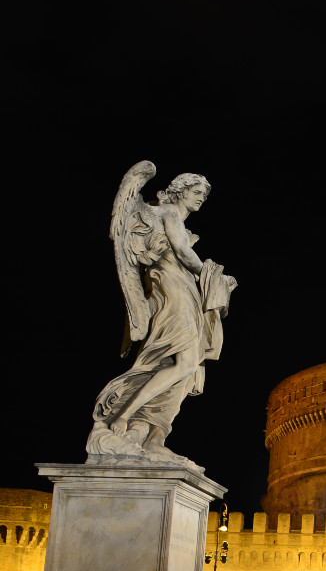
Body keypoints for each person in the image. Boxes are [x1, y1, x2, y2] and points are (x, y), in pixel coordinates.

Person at [89, 163, 237, 470]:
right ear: (180, 191)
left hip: (186, 291)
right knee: (183, 360)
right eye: (196, 193)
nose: (201, 199)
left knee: (187, 367)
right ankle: (123, 415)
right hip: (171, 292)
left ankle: (155, 438)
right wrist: (213, 273)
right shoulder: (167, 213)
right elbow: (182, 252)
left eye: (204, 195)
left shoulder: (176, 220)